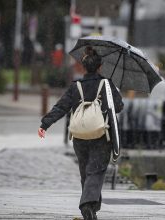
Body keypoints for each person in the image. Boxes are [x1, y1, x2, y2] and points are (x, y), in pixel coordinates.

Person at [38, 46, 123, 220]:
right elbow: (119, 107)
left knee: (86, 172)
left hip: (80, 137)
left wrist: (45, 124)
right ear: (100, 66)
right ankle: (87, 205)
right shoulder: (106, 84)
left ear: (84, 67)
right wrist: (111, 90)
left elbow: (61, 107)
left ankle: (92, 208)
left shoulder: (75, 87)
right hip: (101, 136)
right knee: (96, 171)